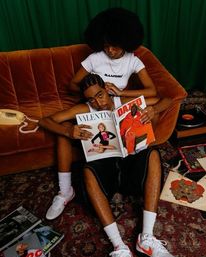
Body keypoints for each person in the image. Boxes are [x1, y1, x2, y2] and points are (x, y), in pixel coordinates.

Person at [39, 74, 180, 257]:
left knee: (153, 155)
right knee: (86, 170)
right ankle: (120, 248)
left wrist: (154, 110)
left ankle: (147, 239)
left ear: (107, 89)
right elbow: (45, 120)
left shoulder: (121, 102)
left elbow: (167, 99)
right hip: (104, 166)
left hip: (130, 164)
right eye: (92, 99)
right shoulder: (85, 110)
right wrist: (68, 130)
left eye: (100, 95)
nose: (99, 102)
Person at [45, 7, 173, 220]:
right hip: (92, 108)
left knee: (145, 120)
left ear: (126, 41)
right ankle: (65, 190)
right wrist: (94, 93)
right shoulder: (95, 58)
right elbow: (72, 85)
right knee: (64, 132)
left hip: (115, 104)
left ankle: (132, 169)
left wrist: (122, 93)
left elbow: (154, 93)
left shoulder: (133, 60)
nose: (110, 51)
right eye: (106, 46)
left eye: (114, 46)